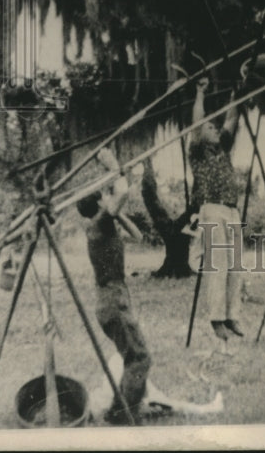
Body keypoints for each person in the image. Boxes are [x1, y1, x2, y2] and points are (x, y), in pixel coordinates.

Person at [76, 147, 151, 424]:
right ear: (100, 201)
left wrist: (117, 213)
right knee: (140, 359)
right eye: (105, 195)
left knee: (133, 356)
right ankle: (125, 416)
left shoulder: (101, 224)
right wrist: (112, 165)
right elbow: (123, 192)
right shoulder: (100, 223)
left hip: (110, 300)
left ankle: (118, 411)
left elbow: (139, 236)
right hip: (113, 300)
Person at [188, 85, 244, 341]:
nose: (215, 129)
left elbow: (232, 119)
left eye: (215, 127)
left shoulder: (223, 149)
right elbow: (197, 122)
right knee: (218, 266)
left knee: (235, 267)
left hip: (232, 210)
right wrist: (200, 93)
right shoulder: (197, 152)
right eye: (211, 127)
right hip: (211, 208)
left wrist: (235, 96)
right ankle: (216, 319)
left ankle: (232, 316)